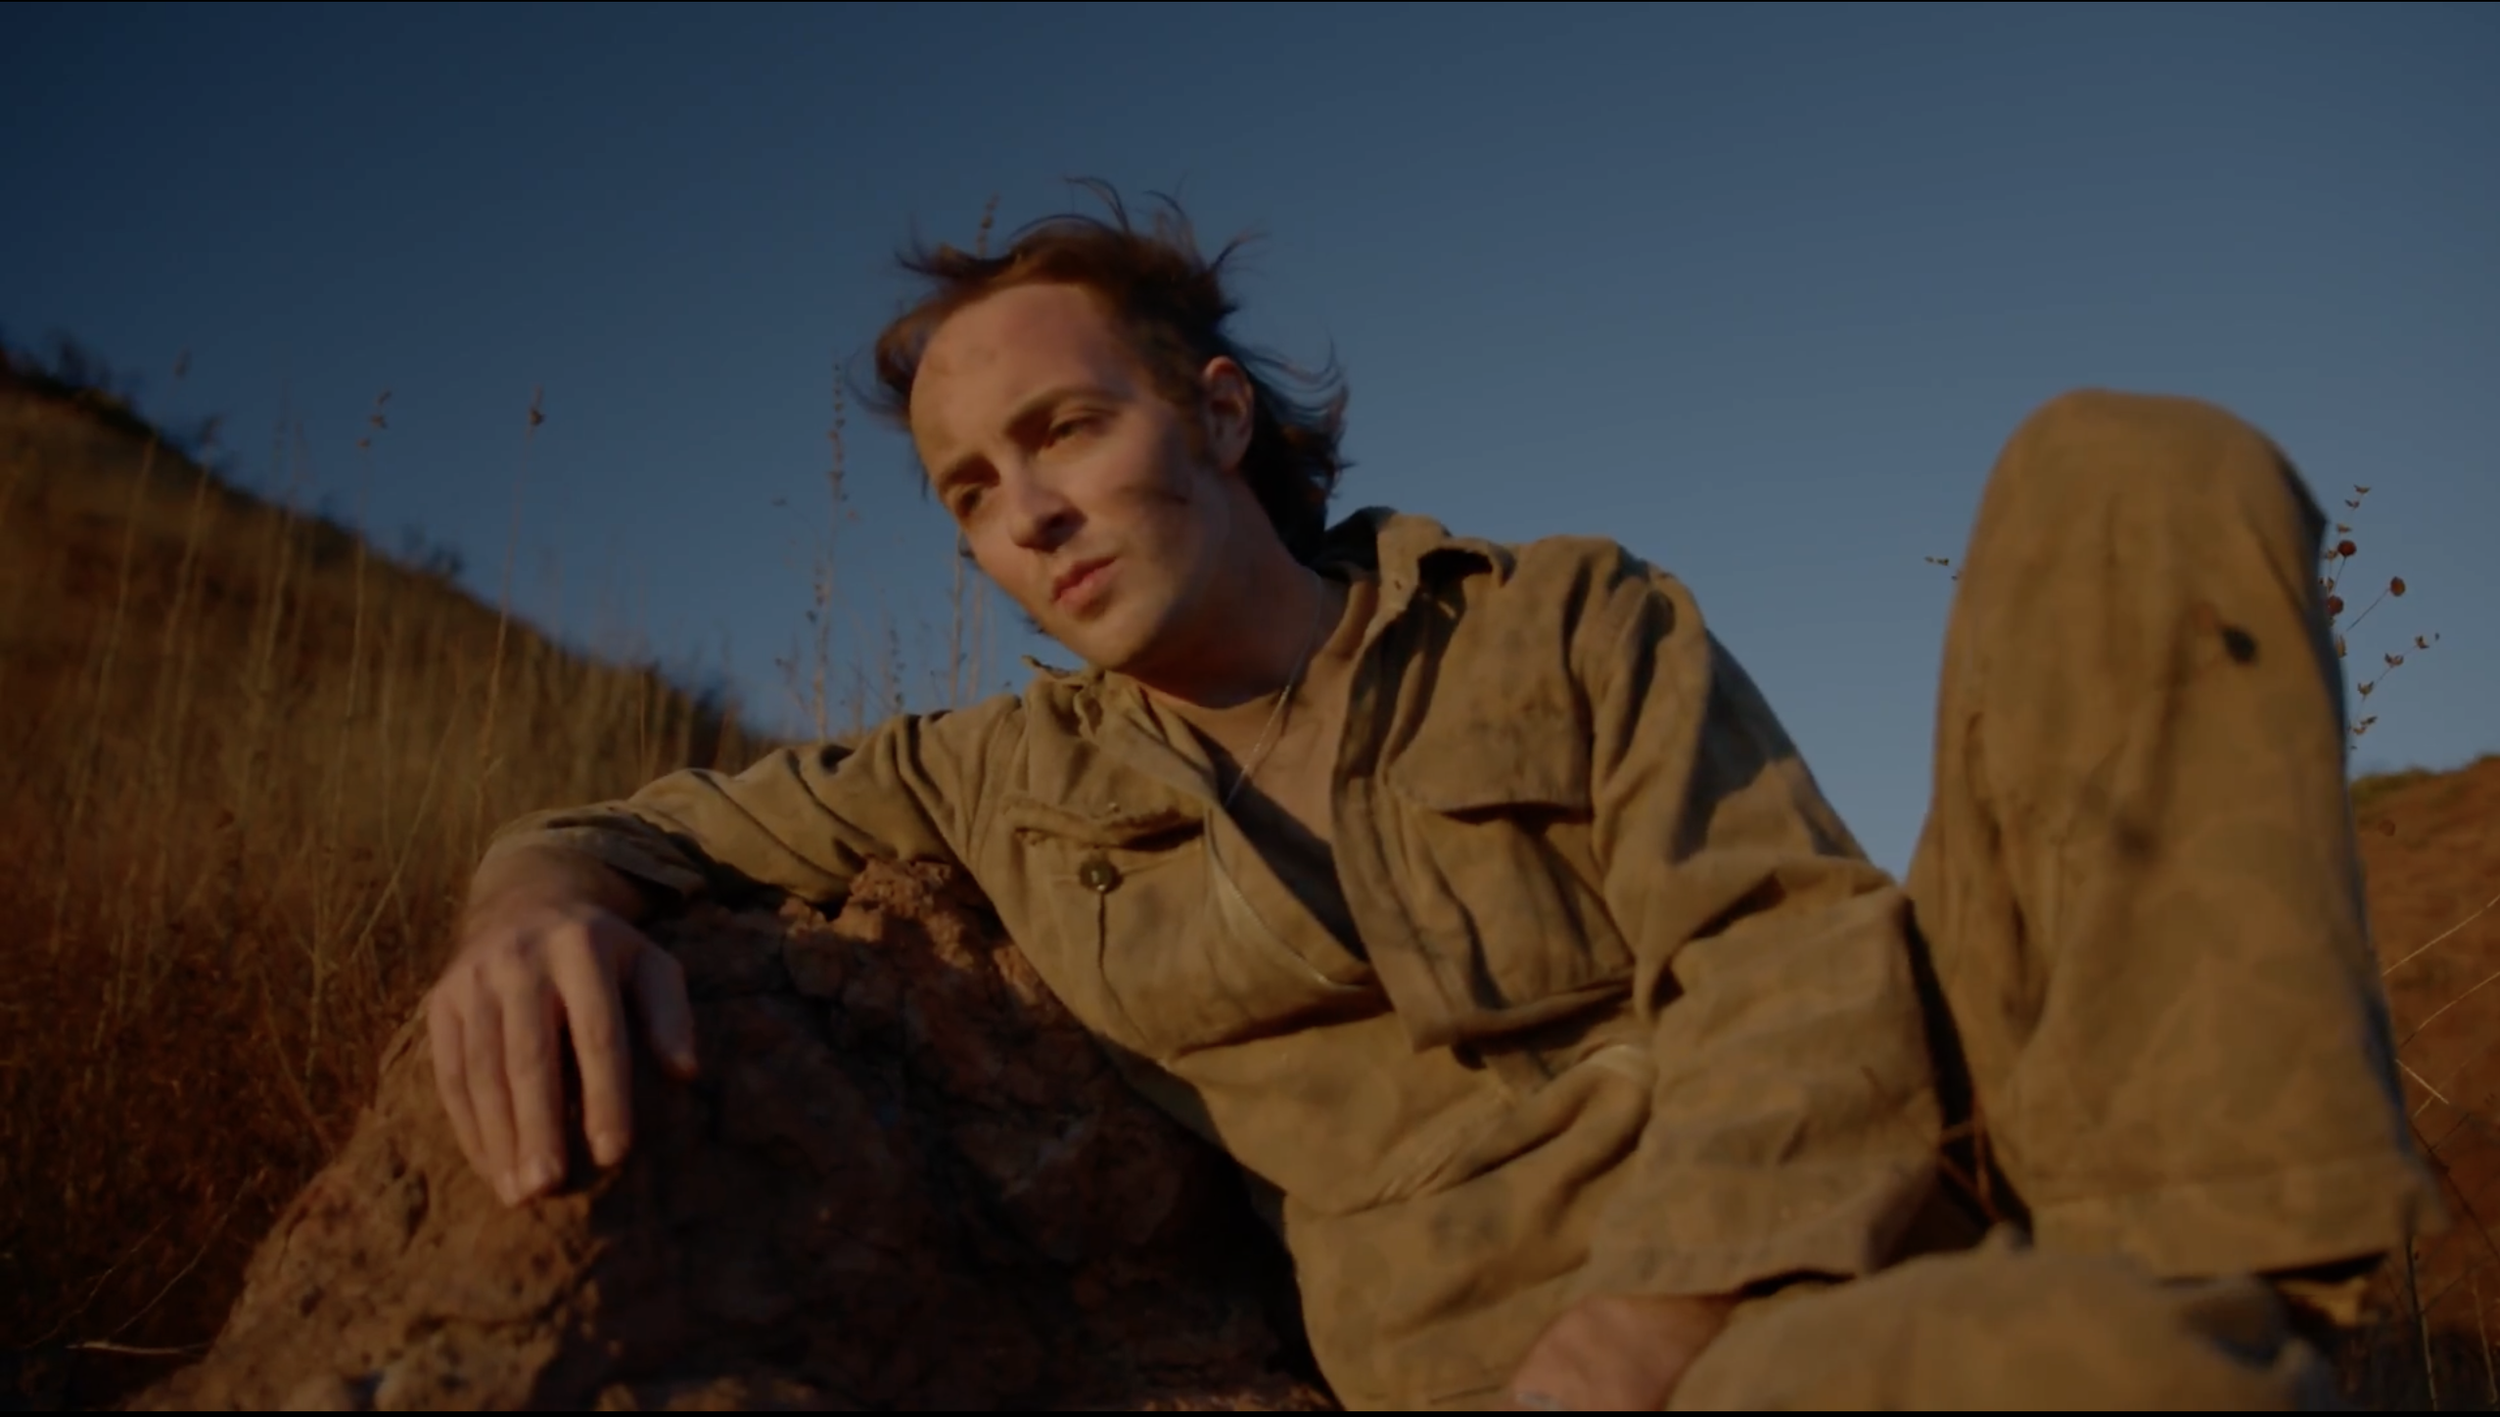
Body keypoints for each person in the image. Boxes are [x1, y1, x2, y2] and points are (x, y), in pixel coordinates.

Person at [424, 190, 2442, 1410]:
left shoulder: (1556, 616)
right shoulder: (991, 782)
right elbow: (637, 830)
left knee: (2127, 469)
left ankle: (2225, 1285)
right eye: (970, 488)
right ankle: (2166, 1354)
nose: (1023, 511)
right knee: (2068, 1378)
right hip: (1600, 1354)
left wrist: (1647, 1321)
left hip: (1857, 1192)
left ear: (1215, 416)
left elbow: (1794, 952)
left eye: (1064, 427)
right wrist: (532, 914)